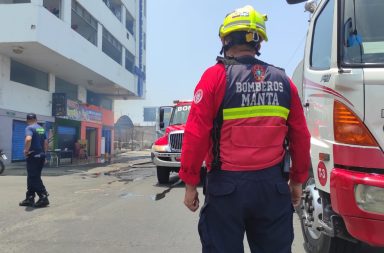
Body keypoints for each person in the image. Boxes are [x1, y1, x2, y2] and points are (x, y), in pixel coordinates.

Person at [179, 5, 311, 253]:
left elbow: (196, 135)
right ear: (258, 41)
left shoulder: (214, 78)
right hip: (272, 187)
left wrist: (189, 183)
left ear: (225, 39)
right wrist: (297, 181)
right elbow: (301, 136)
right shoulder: (284, 81)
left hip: (226, 190)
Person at [19, 113, 50, 208]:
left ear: (27, 120)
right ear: (36, 119)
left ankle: (43, 196)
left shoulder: (29, 128)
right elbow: (45, 143)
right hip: (41, 155)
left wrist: (26, 150)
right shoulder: (41, 128)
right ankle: (30, 197)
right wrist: (44, 155)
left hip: (33, 156)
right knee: (32, 176)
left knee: (33, 177)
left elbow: (28, 139)